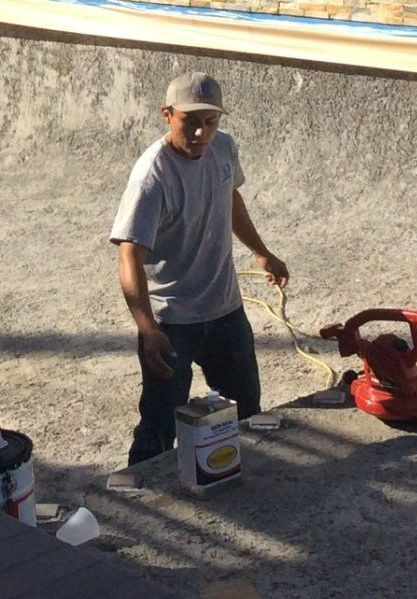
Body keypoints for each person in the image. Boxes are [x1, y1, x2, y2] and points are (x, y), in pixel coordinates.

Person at [110, 70, 289, 465]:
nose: (200, 134)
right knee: (159, 423)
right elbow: (129, 256)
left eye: (210, 122)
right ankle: (141, 490)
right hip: (171, 323)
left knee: (246, 411)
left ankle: (237, 484)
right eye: (189, 121)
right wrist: (148, 329)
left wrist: (261, 252)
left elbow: (231, 199)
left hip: (225, 311)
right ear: (167, 115)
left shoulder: (223, 149)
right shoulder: (151, 176)